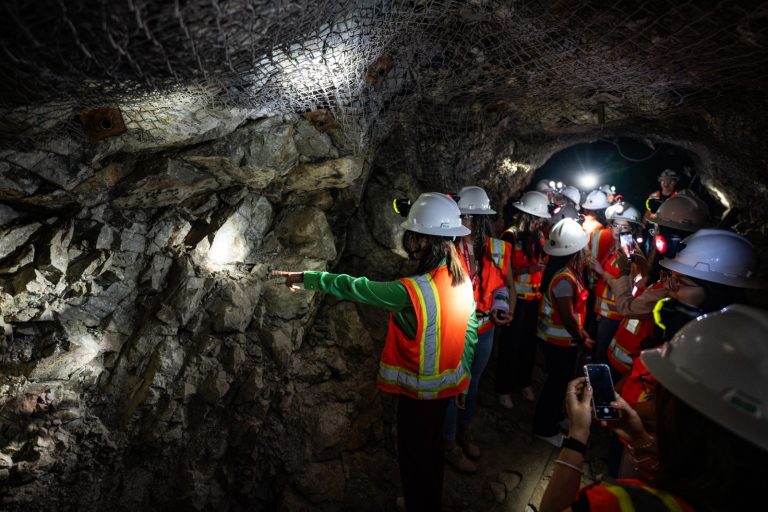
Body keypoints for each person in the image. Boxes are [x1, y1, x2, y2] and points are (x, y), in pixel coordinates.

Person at [272, 192, 478, 512]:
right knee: (433, 451)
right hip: (447, 389)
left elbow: (357, 287)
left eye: (411, 235)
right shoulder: (460, 276)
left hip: (419, 395)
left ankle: (417, 505)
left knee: (413, 456)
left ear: (423, 240)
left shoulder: (413, 290)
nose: (408, 241)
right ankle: (428, 502)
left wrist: (307, 277)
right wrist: (463, 379)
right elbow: (471, 328)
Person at [539, 304, 768, 512]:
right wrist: (640, 439)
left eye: (659, 395)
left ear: (680, 413)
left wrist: (577, 437)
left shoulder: (619, 502)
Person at [443, 185, 515, 473]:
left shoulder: (499, 248)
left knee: (472, 383)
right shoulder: (447, 245)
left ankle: (465, 429)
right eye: (464, 216)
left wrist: (507, 311)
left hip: (485, 328)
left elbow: (509, 287)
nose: (468, 223)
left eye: (474, 218)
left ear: (484, 219)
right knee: (453, 385)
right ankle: (448, 442)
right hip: (455, 330)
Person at [533, 218, 596, 447]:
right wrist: (581, 337)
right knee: (555, 385)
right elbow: (568, 317)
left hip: (559, 340)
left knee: (558, 383)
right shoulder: (564, 279)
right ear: (575, 250)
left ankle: (555, 418)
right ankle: (544, 428)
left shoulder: (564, 271)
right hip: (558, 342)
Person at [496, 191, 551, 409]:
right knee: (510, 344)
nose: (539, 222)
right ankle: (504, 388)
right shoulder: (509, 236)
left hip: (533, 299)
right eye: (536, 218)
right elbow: (503, 272)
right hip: (514, 300)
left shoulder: (538, 236)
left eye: (541, 219)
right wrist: (529, 268)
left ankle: (524, 382)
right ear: (525, 215)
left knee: (528, 344)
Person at [587, 202, 645, 370]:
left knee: (602, 358)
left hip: (614, 316)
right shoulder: (617, 248)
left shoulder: (630, 253)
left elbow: (626, 287)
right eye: (615, 225)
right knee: (597, 355)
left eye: (624, 226)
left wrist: (600, 271)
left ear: (633, 230)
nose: (618, 230)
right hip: (605, 314)